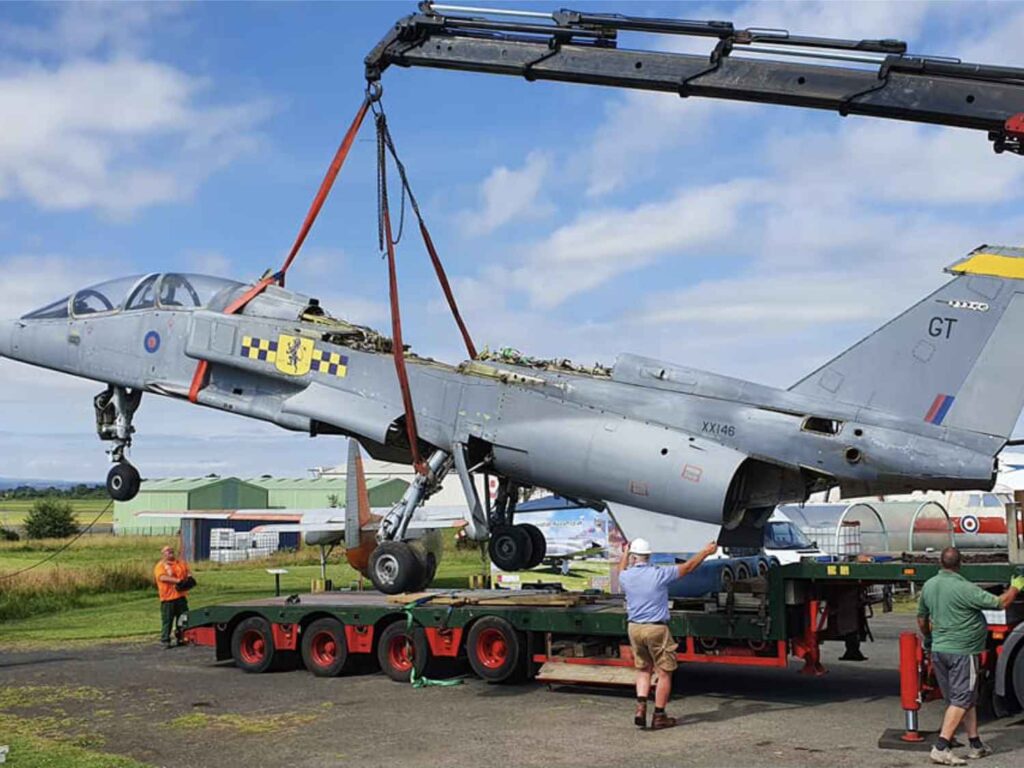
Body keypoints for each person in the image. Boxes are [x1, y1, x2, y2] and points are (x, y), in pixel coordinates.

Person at [917, 547, 1023, 765]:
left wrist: (929, 637)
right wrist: (1015, 587)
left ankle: (975, 744)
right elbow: (1000, 603)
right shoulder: (965, 588)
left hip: (940, 651)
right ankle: (941, 747)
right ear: (960, 564)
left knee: (964, 699)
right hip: (962, 652)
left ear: (941, 563)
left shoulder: (929, 586)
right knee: (962, 698)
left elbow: (921, 619)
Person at [619, 537, 718, 730]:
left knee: (643, 669)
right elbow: (688, 567)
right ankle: (659, 716)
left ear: (633, 557)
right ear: (649, 556)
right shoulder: (659, 574)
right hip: (656, 628)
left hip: (634, 628)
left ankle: (640, 707)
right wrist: (706, 551)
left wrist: (624, 553)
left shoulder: (625, 577)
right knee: (664, 673)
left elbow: (620, 569)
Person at [154, 545, 193, 648]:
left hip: (181, 597)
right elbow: (162, 577)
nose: (170, 552)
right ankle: (165, 640)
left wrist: (189, 578)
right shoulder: (160, 566)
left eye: (171, 550)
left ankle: (181, 637)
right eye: (167, 551)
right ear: (163, 554)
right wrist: (178, 581)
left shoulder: (180, 563)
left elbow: (187, 572)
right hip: (168, 599)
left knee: (183, 619)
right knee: (168, 620)